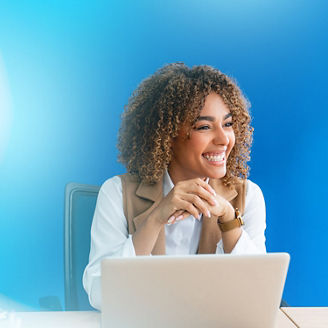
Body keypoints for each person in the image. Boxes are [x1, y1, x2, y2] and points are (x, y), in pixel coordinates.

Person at [83, 63, 266, 310]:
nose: (223, 139)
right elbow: (101, 295)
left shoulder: (247, 196)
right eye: (204, 126)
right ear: (167, 135)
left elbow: (259, 297)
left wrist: (228, 220)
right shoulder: (116, 193)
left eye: (228, 124)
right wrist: (156, 217)